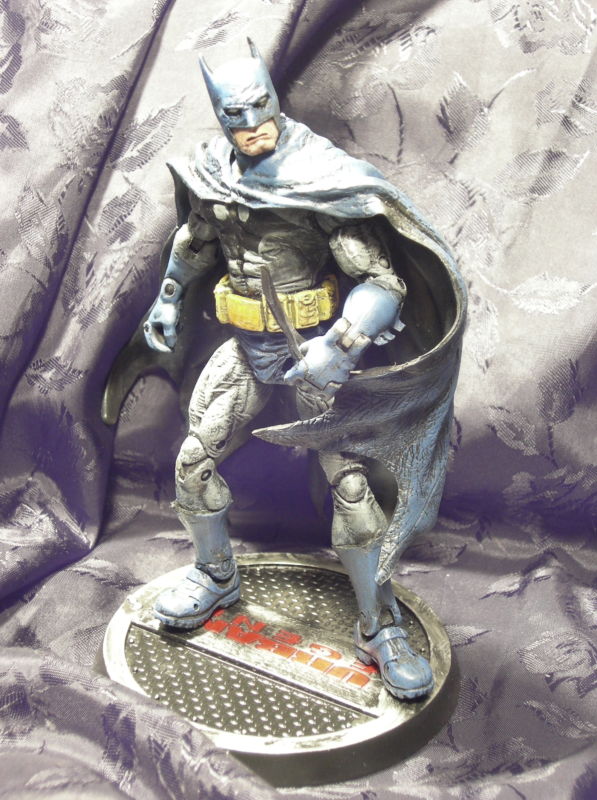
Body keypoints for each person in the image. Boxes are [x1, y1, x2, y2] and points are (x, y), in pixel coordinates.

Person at [143, 39, 466, 700]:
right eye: (235, 114)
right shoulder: (214, 172)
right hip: (246, 350)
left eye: (260, 106)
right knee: (192, 463)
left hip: (311, 357)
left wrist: (340, 344)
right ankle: (215, 575)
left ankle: (379, 625)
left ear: (273, 96)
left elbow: (383, 281)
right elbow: (194, 240)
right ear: (219, 113)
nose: (252, 124)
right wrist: (169, 301)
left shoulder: (316, 177)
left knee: (352, 490)